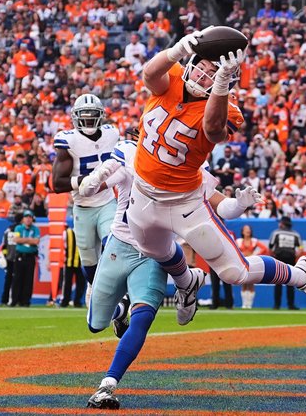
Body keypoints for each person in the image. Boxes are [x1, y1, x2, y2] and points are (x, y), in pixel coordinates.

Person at [124, 27, 306, 325]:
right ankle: (187, 282)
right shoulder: (171, 78)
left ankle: (301, 275)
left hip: (185, 203)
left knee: (236, 273)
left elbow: (212, 130)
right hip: (144, 195)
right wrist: (177, 50)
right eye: (202, 69)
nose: (203, 77)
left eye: (213, 73)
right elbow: (149, 75)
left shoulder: (227, 107)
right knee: (153, 250)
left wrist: (220, 84)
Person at [79, 139, 261, 409]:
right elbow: (99, 185)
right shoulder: (131, 152)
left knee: (143, 318)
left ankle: (108, 384)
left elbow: (221, 205)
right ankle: (121, 309)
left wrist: (238, 204)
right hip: (119, 246)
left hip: (155, 254)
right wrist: (94, 181)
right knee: (95, 323)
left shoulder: (191, 168)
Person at [52, 94, 119, 294]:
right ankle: (94, 288)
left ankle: (117, 290)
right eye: (85, 117)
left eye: (93, 117)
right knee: (89, 261)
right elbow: (57, 184)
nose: (89, 121)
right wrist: (83, 181)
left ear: (101, 117)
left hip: (107, 201)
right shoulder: (68, 141)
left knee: (113, 243)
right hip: (83, 207)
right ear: (76, 117)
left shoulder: (112, 134)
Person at [269, 216, 302, 310]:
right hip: (291, 259)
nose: (279, 224)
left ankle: (277, 305)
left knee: (278, 282)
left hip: (279, 258)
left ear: (283, 224)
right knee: (290, 283)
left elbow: (270, 246)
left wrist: (273, 257)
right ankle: (290, 305)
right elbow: (301, 247)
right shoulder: (295, 234)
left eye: (280, 223)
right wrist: (296, 256)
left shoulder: (276, 232)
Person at [11, 210, 40, 307]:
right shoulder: (18, 228)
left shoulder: (35, 229)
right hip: (20, 256)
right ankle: (15, 300)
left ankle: (25, 301)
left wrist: (23, 241)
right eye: (26, 217)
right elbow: (16, 239)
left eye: (30, 217)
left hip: (30, 256)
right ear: (23, 219)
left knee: (28, 280)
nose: (28, 219)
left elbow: (36, 241)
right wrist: (29, 240)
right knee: (17, 279)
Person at [237, 225, 269, 309]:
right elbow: (234, 249)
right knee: (244, 282)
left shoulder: (254, 241)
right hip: (243, 263)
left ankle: (250, 304)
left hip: (251, 263)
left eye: (249, 229)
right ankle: (244, 304)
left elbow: (264, 248)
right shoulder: (239, 241)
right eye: (245, 229)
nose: (247, 231)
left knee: (251, 283)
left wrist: (255, 255)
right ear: (242, 232)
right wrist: (241, 255)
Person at [0, 213, 22, 306]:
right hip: (17, 257)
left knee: (8, 280)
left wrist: (3, 256)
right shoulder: (20, 230)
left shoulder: (8, 230)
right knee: (17, 280)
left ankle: (5, 300)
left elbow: (3, 245)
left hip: (9, 257)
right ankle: (15, 300)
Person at [61, 225, 85, 308]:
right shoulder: (67, 232)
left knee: (81, 283)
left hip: (81, 262)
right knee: (67, 283)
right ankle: (65, 301)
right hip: (69, 262)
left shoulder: (86, 232)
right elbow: (62, 246)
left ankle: (77, 301)